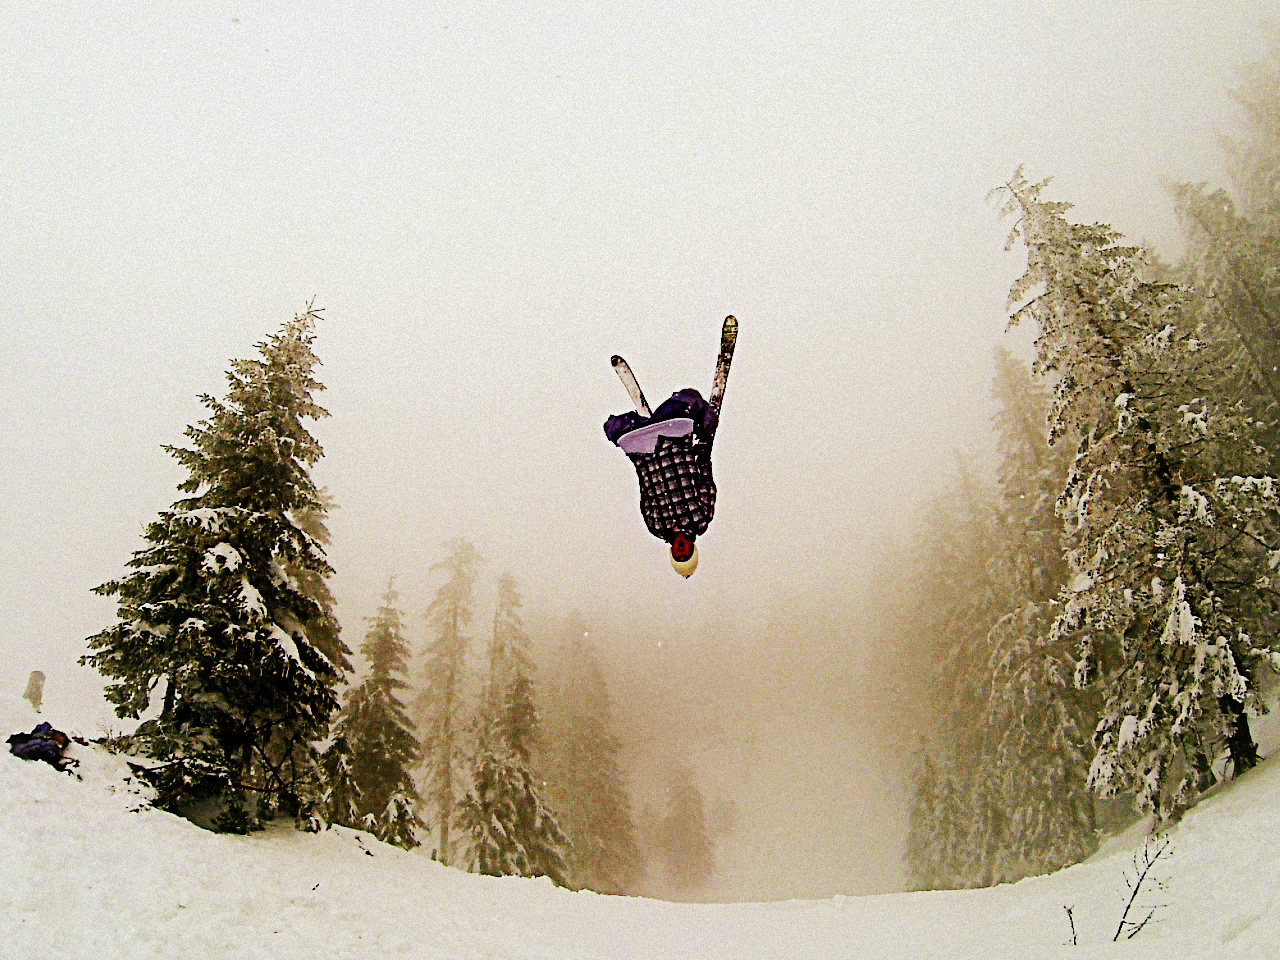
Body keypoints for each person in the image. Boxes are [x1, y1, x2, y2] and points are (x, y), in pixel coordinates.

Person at [604, 387, 719, 577]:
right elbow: (706, 478)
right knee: (690, 399)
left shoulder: (655, 526)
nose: (681, 552)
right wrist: (704, 444)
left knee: (610, 428)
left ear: (672, 552)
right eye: (686, 555)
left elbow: (645, 489)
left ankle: (644, 424)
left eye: (678, 556)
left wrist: (638, 459)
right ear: (692, 548)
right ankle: (662, 420)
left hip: (641, 447)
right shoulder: (701, 517)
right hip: (674, 436)